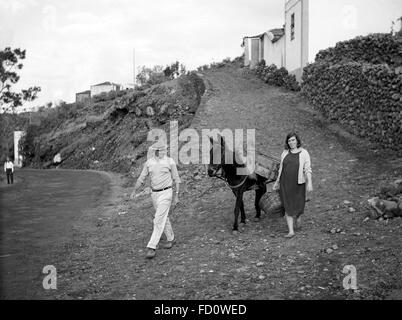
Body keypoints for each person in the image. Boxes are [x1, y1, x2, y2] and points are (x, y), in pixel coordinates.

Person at [130, 142, 181, 259]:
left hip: (166, 193)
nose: (162, 151)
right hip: (154, 194)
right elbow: (141, 178)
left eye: (163, 149)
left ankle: (151, 247)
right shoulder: (149, 163)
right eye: (159, 150)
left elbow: (176, 179)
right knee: (163, 217)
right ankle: (171, 238)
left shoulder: (170, 162)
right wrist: (134, 191)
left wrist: (177, 195)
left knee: (158, 219)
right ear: (155, 151)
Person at [273, 132, 313, 238]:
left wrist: (309, 183)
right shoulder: (285, 152)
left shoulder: (304, 153)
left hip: (298, 183)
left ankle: (298, 215)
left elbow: (308, 169)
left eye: (293, 140)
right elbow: (281, 168)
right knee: (287, 206)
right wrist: (277, 182)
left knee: (299, 205)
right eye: (289, 141)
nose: (291, 142)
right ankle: (291, 231)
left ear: (297, 141)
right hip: (285, 183)